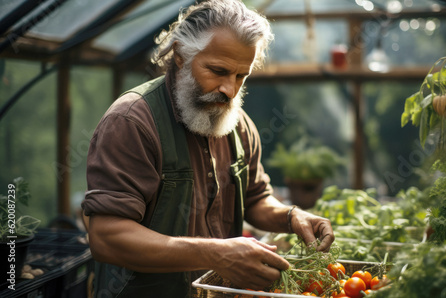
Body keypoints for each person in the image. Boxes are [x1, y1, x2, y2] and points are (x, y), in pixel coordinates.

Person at [81, 0, 334, 297]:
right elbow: (106, 237)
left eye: (241, 76)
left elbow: (255, 198)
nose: (230, 89)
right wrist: (215, 253)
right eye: (218, 71)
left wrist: (291, 216)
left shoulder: (238, 125)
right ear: (179, 55)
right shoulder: (132, 122)